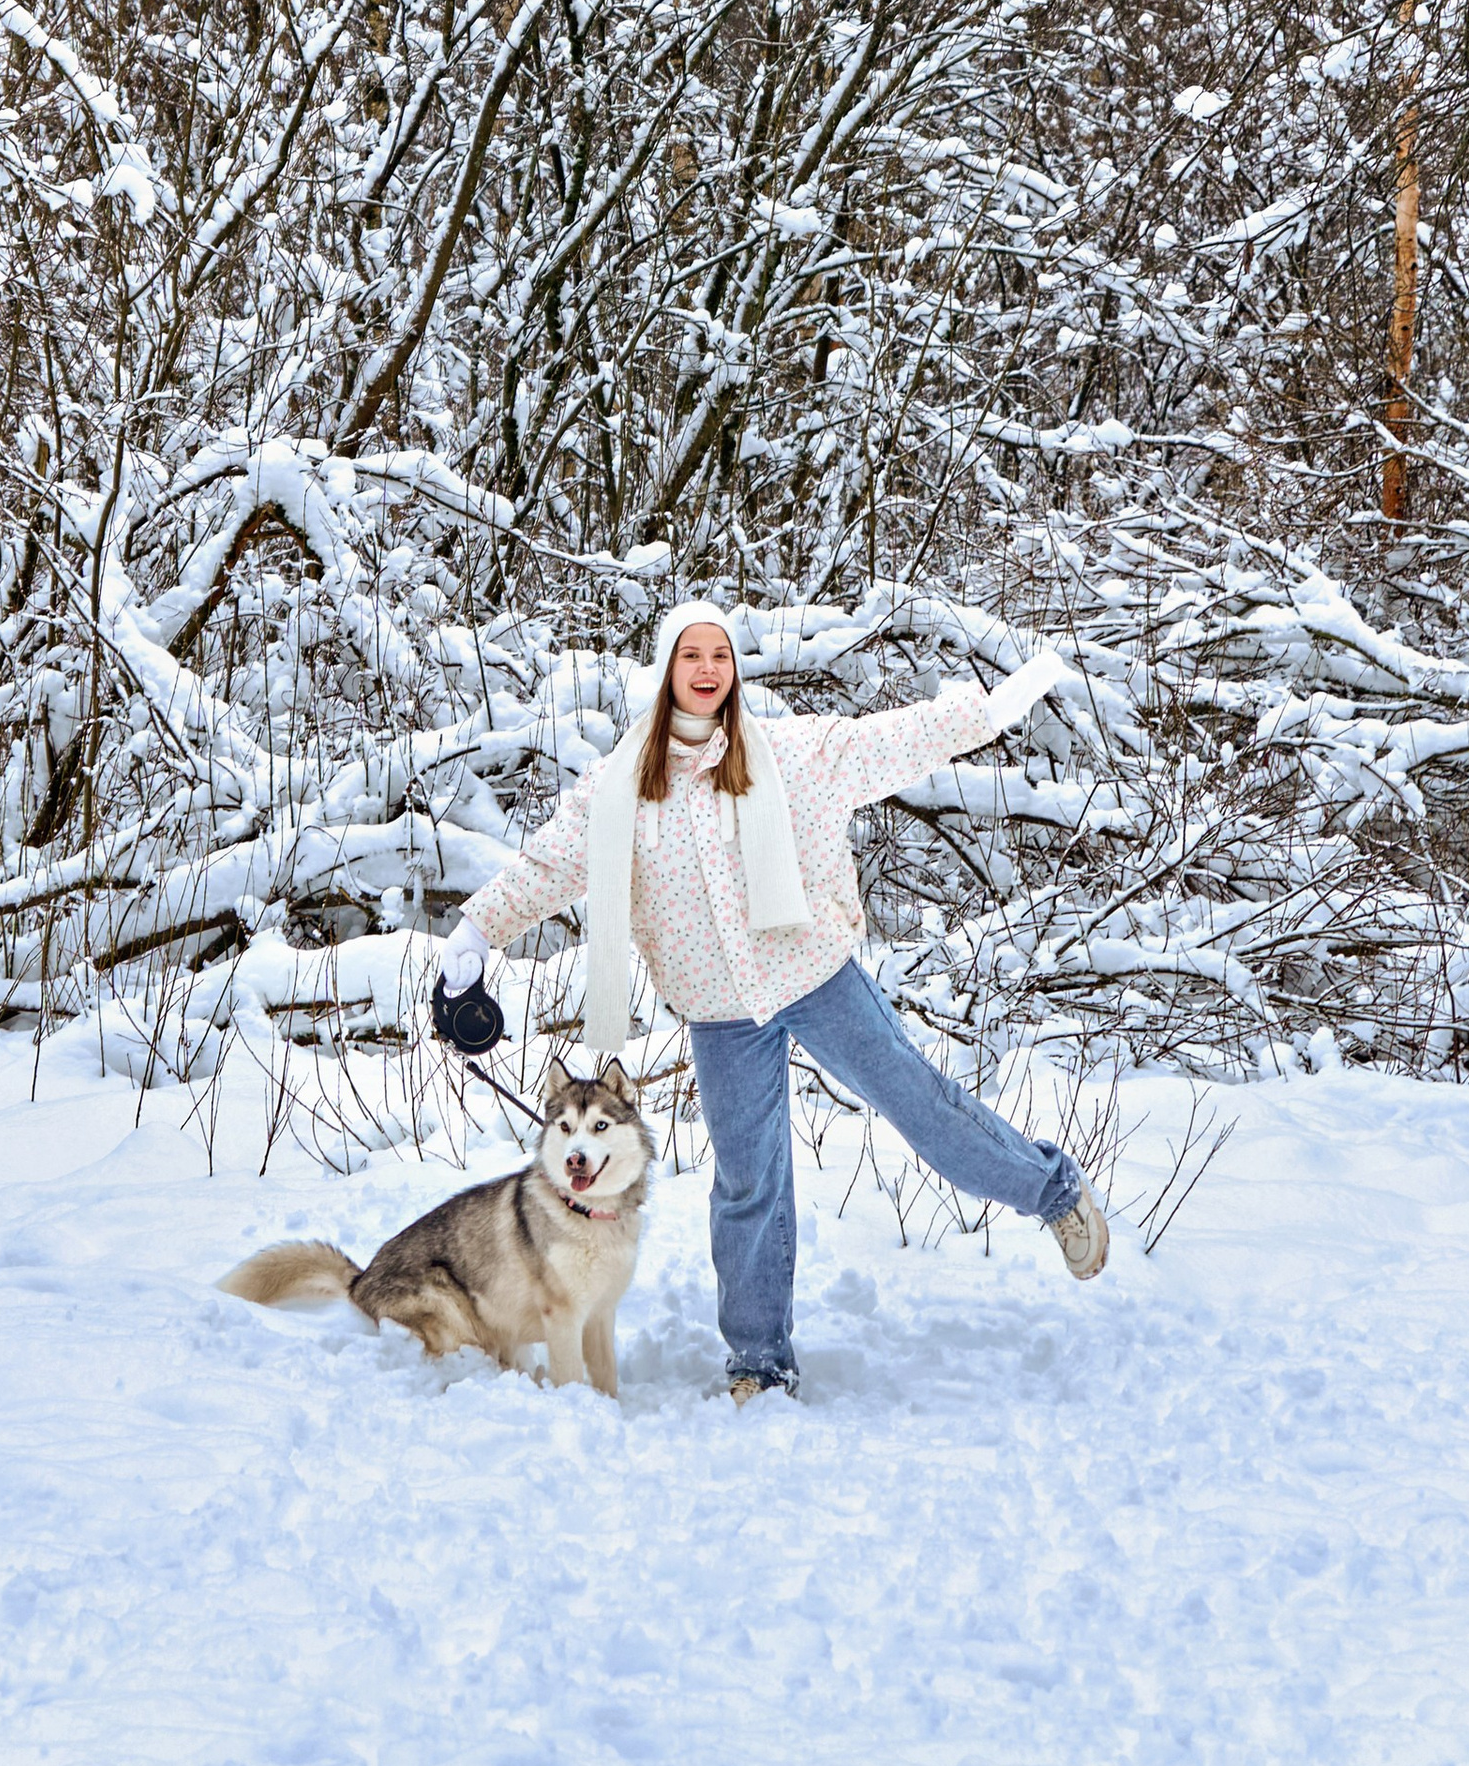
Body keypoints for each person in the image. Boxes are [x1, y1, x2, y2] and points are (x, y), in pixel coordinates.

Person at [438, 598, 1108, 1401]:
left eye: (720, 655)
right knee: (749, 1182)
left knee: (921, 1107)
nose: (708, 670)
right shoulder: (619, 789)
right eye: (691, 655)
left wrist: (994, 706)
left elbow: (894, 740)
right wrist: (476, 933)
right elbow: (548, 866)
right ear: (665, 672)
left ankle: (1054, 1192)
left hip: (815, 976)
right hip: (719, 1013)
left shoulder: (789, 752)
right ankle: (759, 1360)